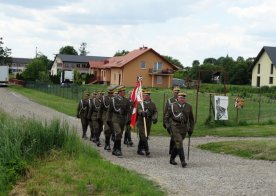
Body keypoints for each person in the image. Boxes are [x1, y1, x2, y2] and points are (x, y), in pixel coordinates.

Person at [164, 92, 194, 168]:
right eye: (181, 98)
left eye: (183, 98)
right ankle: (183, 161)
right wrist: (168, 126)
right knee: (179, 141)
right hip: (175, 126)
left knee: (178, 143)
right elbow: (166, 117)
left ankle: (172, 158)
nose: (182, 99)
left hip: (184, 127)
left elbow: (191, 119)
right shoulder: (172, 106)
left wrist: (191, 129)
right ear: (177, 98)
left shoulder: (189, 106)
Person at [107, 85, 130, 156]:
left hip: (123, 119)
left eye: (124, 91)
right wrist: (108, 119)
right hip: (115, 119)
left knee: (119, 135)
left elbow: (128, 110)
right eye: (123, 91)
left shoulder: (126, 100)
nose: (124, 92)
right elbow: (109, 110)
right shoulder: (113, 99)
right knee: (119, 132)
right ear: (119, 92)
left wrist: (128, 119)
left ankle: (115, 149)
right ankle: (119, 149)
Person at [136, 89, 158, 156]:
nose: (147, 96)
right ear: (143, 96)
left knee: (145, 136)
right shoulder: (140, 103)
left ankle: (139, 149)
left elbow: (155, 111)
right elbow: (138, 110)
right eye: (146, 95)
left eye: (148, 95)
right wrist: (142, 112)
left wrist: (155, 117)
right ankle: (147, 150)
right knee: (144, 135)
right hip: (141, 122)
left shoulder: (152, 104)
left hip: (148, 122)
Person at [163, 86, 180, 154]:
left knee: (178, 136)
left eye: (178, 92)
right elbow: (166, 111)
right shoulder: (170, 100)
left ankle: (176, 150)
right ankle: (171, 150)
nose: (177, 93)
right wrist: (165, 122)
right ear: (173, 92)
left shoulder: (181, 100)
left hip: (179, 122)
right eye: (175, 92)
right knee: (173, 136)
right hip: (171, 121)